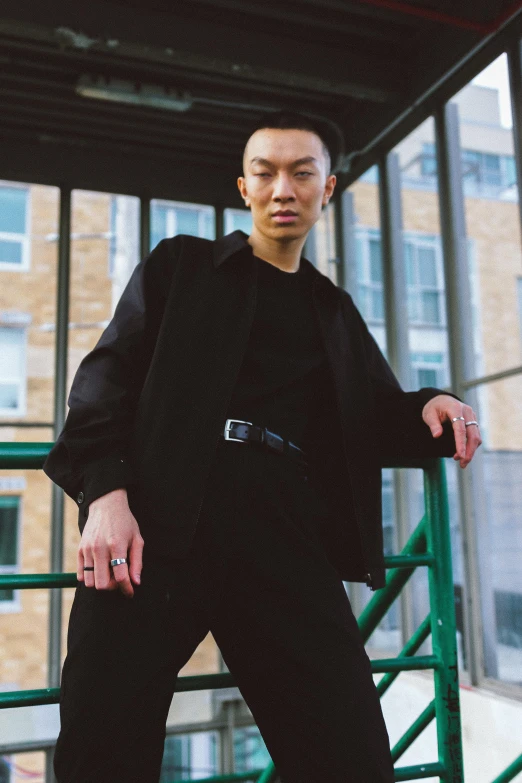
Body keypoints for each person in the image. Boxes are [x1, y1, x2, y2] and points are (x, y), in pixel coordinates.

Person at [43, 110, 481, 783]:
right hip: (157, 521)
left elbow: (373, 410)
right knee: (103, 747)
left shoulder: (332, 309)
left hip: (282, 529)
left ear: (326, 189)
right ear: (242, 188)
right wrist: (105, 493)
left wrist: (429, 402)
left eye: (301, 173)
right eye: (265, 173)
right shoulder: (181, 265)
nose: (283, 188)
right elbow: (103, 383)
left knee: (350, 751)